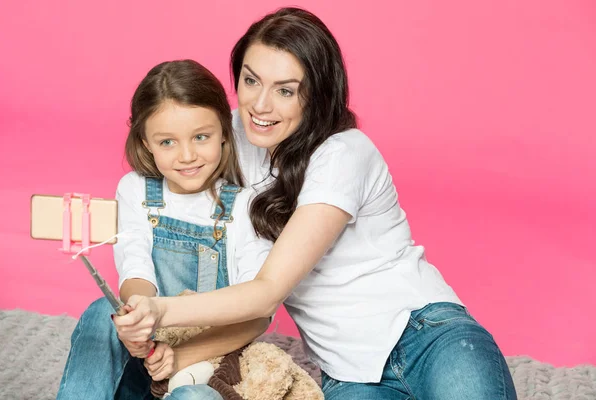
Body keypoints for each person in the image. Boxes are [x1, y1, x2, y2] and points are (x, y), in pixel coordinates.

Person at [115, 7, 517, 399]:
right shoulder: (228, 134)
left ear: (317, 96)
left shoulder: (344, 154)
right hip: (349, 374)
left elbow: (268, 291)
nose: (260, 105)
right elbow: (170, 138)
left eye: (286, 90)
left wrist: (158, 310)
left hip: (427, 333)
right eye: (251, 80)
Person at [56, 60, 272, 400]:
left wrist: (182, 356)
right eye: (167, 142)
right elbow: (135, 269)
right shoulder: (136, 190)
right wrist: (137, 319)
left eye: (201, 137)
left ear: (224, 134)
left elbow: (255, 315)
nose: (187, 155)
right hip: (148, 357)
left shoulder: (246, 205)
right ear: (146, 143)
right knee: (102, 314)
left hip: (208, 364)